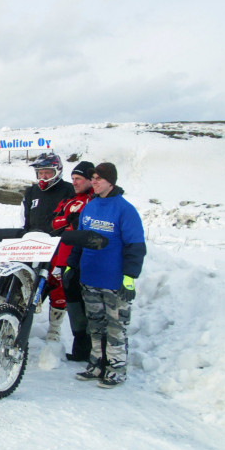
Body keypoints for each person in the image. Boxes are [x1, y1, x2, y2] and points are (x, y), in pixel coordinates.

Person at [66, 163, 146, 388]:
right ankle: (97, 364)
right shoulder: (90, 207)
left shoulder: (124, 209)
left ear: (111, 181)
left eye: (99, 178)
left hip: (114, 282)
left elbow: (135, 246)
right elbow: (80, 240)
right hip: (90, 278)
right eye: (93, 178)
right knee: (95, 326)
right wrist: (72, 266)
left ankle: (116, 368)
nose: (95, 181)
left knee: (115, 326)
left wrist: (129, 277)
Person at [21, 153, 75, 342]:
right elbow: (24, 218)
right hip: (32, 243)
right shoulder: (31, 192)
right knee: (23, 280)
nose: (43, 177)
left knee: (57, 285)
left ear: (57, 171)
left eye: (47, 173)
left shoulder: (69, 190)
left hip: (58, 245)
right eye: (40, 173)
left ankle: (55, 328)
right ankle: (18, 319)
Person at [47, 160, 95, 353]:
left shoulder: (95, 200)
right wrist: (67, 219)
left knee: (88, 305)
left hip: (87, 259)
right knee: (70, 299)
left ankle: (94, 350)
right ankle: (80, 348)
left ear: (90, 180)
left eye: (79, 179)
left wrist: (72, 222)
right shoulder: (70, 200)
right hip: (63, 256)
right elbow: (54, 222)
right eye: (73, 178)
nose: (74, 183)